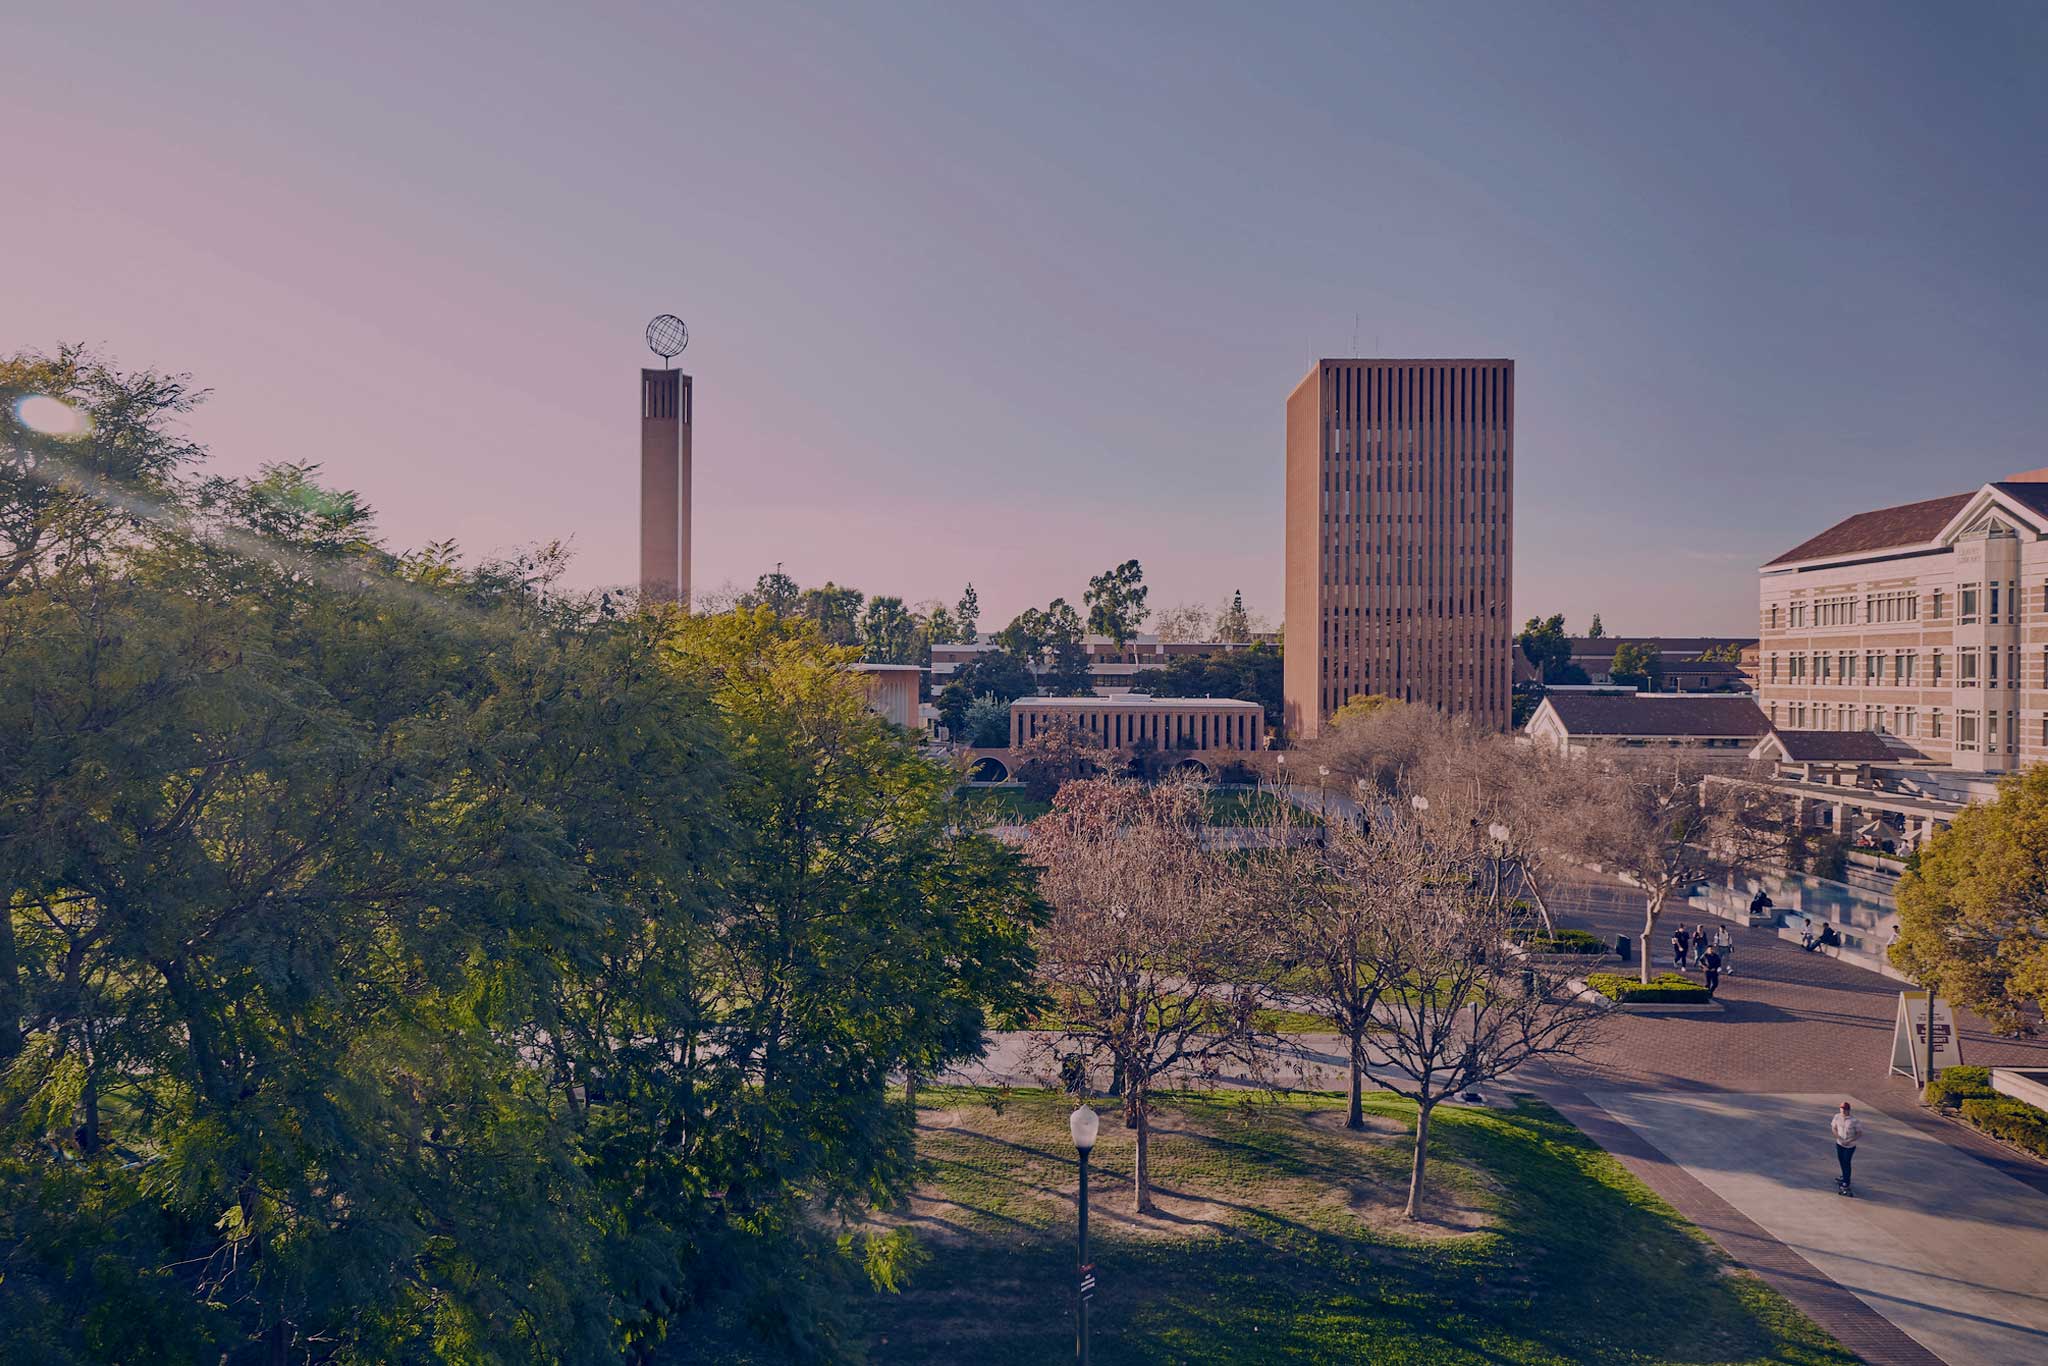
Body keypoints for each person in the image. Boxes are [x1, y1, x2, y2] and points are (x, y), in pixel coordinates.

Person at [1831, 1101, 1862, 1194]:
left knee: (1846, 1162)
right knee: (1841, 1160)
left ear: (1849, 1110)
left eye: (1845, 1109)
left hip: (1850, 1146)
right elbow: (1834, 1128)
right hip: (1839, 1143)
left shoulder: (1854, 1121)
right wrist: (1838, 1138)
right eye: (1841, 1109)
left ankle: (1846, 1183)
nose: (1843, 1111)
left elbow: (1859, 1133)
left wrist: (1849, 1141)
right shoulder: (1837, 1117)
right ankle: (1844, 1177)